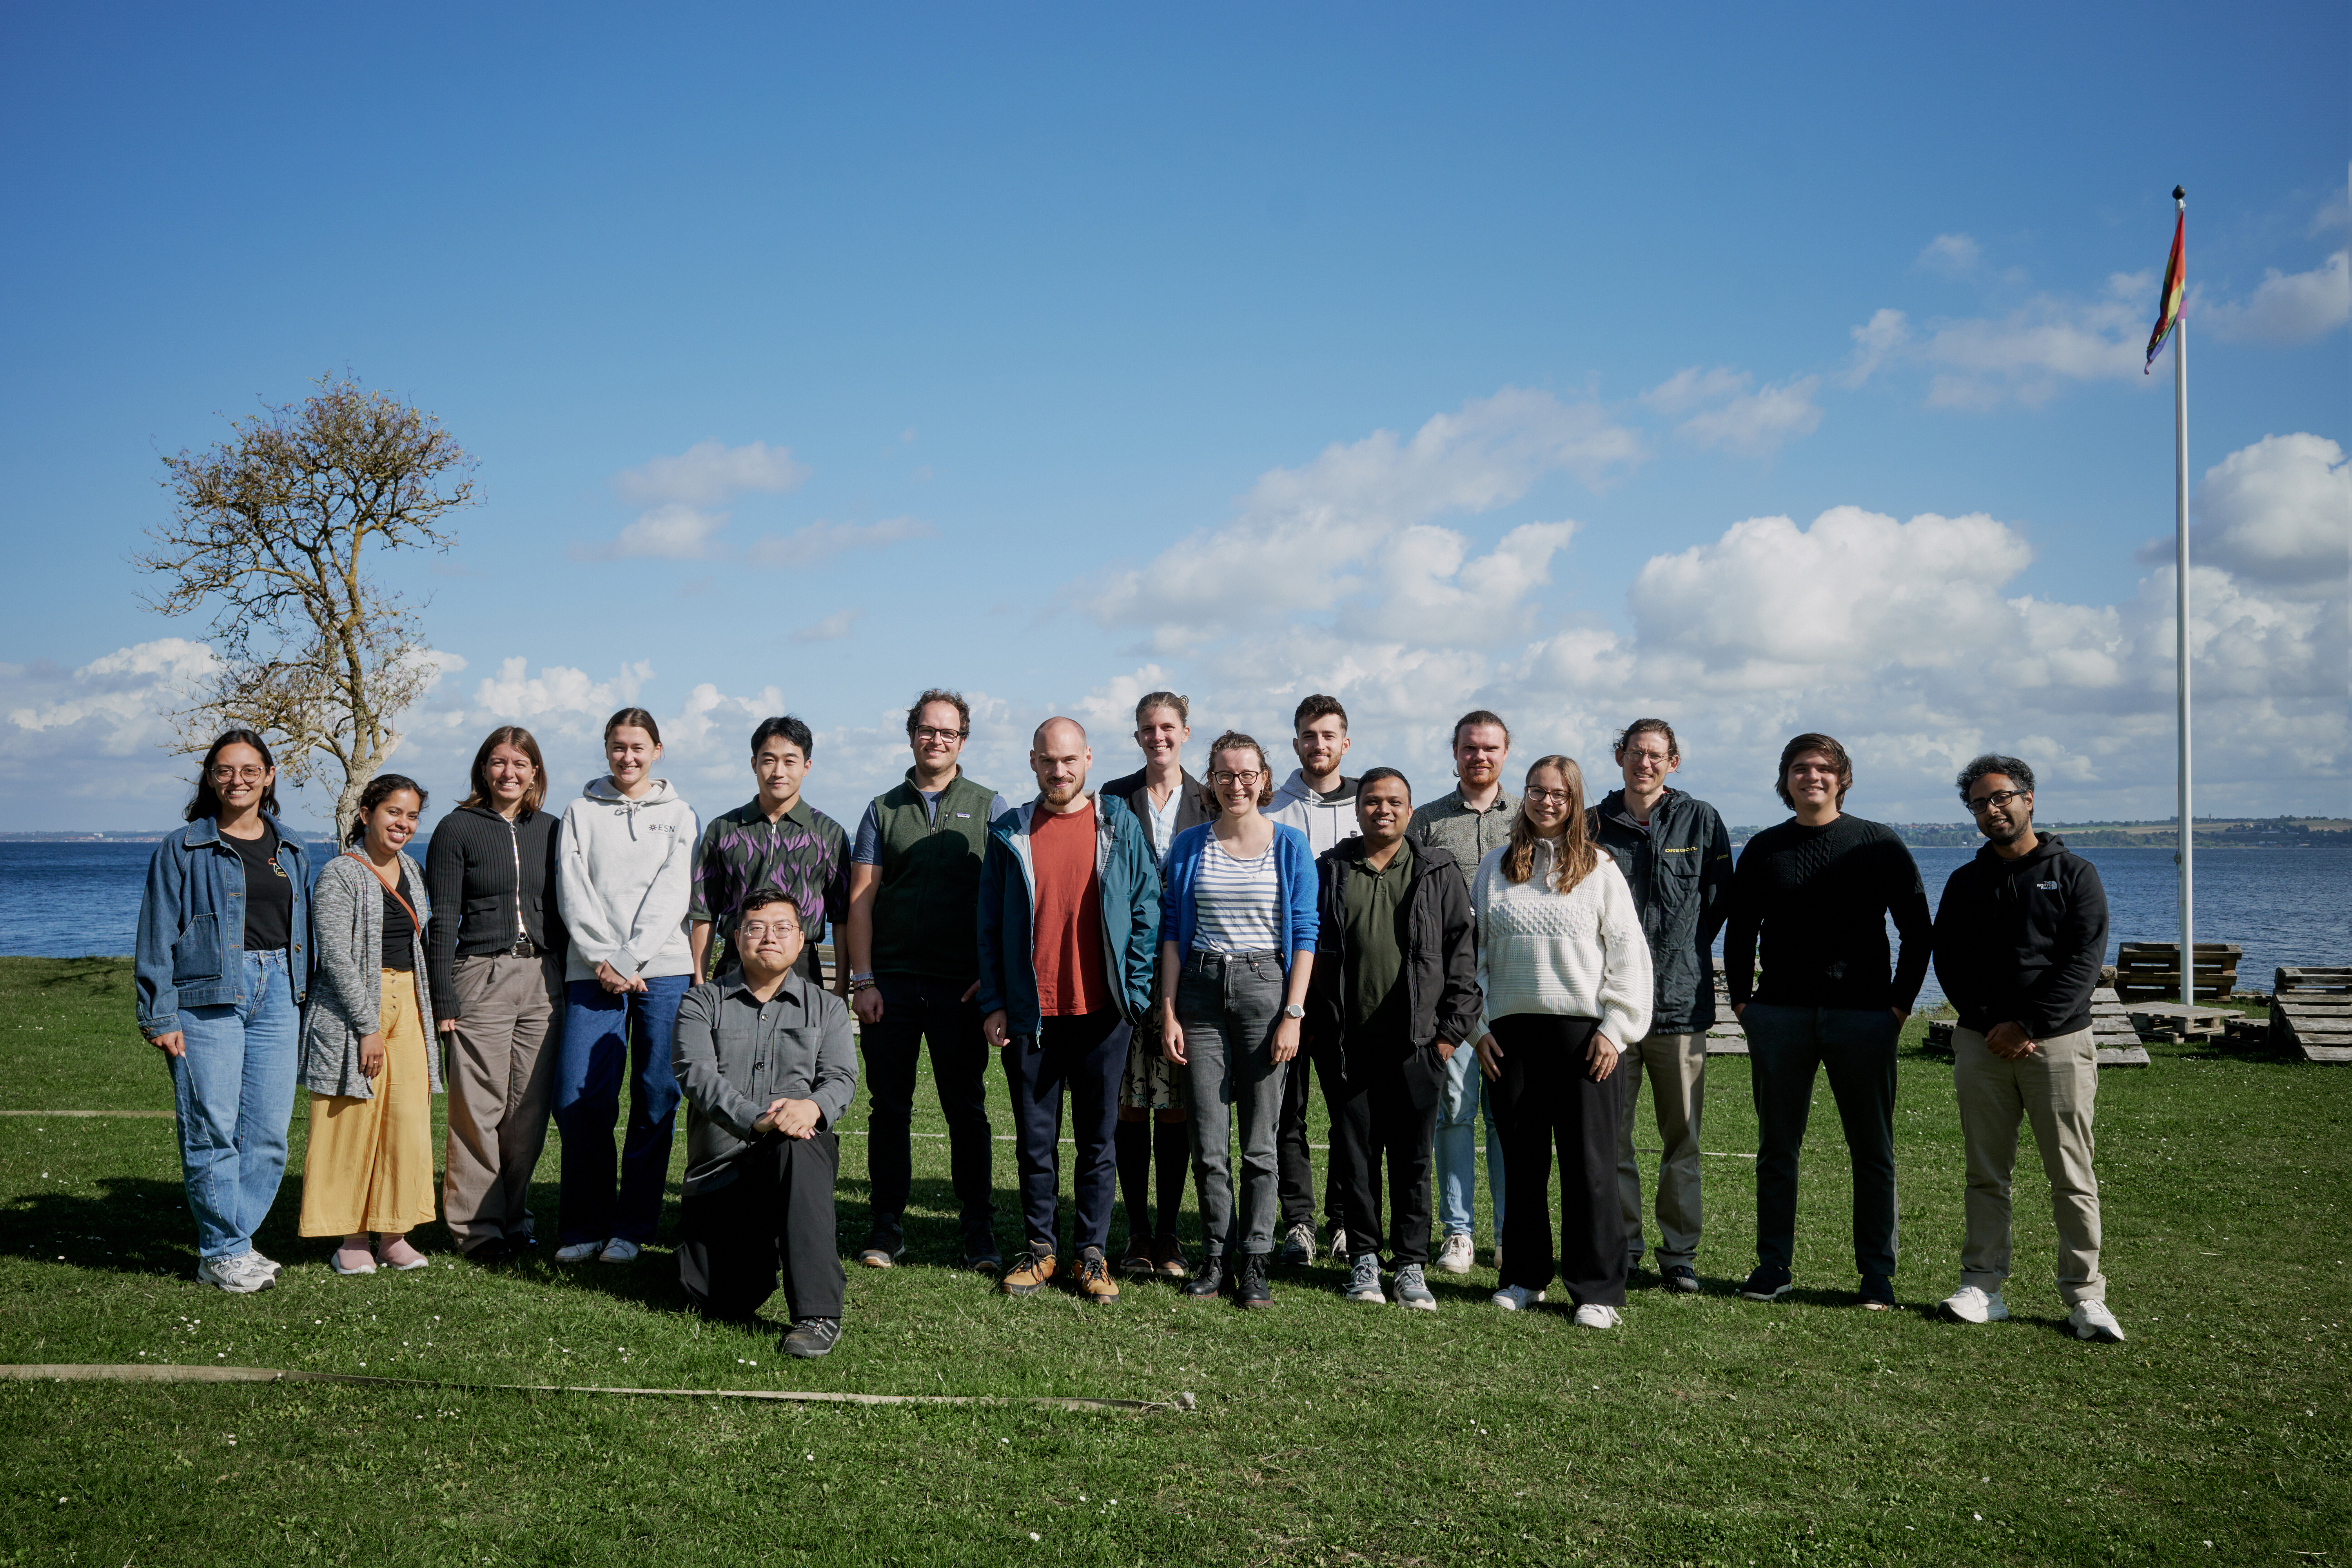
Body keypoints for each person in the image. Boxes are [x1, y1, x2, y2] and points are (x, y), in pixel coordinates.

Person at [1724, 732, 1931, 1310]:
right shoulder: (1765, 848)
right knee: (1777, 1149)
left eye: (1822, 768)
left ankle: (1876, 1275)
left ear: (1842, 777)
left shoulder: (1879, 843)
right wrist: (1745, 1005)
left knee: (1872, 1150)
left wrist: (1899, 1006)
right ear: (1785, 779)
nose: (1810, 777)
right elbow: (1739, 932)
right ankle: (1773, 1266)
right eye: (1799, 768)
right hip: (1780, 1016)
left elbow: (1918, 931)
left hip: (1865, 1017)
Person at [1931, 755, 2125, 1343]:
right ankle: (1982, 1287)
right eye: (1979, 803)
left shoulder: (2074, 874)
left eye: (2002, 798)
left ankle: (2086, 1296)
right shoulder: (1966, 881)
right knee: (1986, 1173)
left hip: (2059, 1046)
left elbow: (2082, 964)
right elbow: (1950, 959)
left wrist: (2029, 1025)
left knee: (2072, 1174)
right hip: (1982, 1044)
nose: (1992, 810)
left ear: (2029, 798)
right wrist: (1994, 1025)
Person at [977, 718, 1161, 1302]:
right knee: (1035, 1142)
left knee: (1098, 1141)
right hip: (1032, 1016)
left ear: (1087, 759)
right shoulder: (1010, 832)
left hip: (1102, 1012)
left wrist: (1133, 992)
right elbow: (987, 925)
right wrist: (995, 1002)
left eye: (1069, 761)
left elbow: (1146, 908)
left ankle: (1091, 1254)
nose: (1059, 772)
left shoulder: (1117, 824)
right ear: (1034, 762)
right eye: (1048, 762)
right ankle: (1040, 1250)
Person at [1472, 756, 1652, 1327]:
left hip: (1585, 1037)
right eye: (1536, 791)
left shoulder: (1599, 869)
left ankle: (1596, 1289)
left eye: (1559, 794)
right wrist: (1477, 1030)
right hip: (1510, 1037)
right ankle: (1524, 1276)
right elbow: (1472, 957)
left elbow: (1628, 956)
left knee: (1590, 1166)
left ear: (1575, 802)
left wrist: (1616, 1030)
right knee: (1523, 1164)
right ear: (1523, 797)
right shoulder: (1494, 868)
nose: (1546, 802)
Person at [136, 730, 312, 1293]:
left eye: (249, 770)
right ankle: (222, 1250)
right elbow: (157, 932)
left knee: (267, 1132)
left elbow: (304, 930)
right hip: (206, 996)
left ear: (270, 775)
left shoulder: (293, 849)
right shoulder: (182, 848)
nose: (238, 780)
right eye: (225, 771)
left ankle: (236, 1240)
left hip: (280, 994)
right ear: (211, 778)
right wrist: (159, 1014)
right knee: (213, 1126)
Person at [842, 689, 1011, 1272]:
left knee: (967, 1110)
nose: (937, 740)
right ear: (910, 732)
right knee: (889, 1108)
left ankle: (978, 1228)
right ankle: (886, 1225)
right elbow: (861, 901)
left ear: (963, 741)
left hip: (959, 989)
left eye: (949, 732)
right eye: (927, 729)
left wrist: (989, 979)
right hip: (890, 985)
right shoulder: (881, 808)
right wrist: (863, 981)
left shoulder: (991, 806)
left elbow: (1006, 901)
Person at [1305, 768, 1479, 1311]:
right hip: (1347, 1045)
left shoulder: (1436, 870)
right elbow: (1309, 949)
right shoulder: (1331, 869)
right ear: (1357, 809)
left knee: (1412, 1160)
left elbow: (1462, 956)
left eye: (1396, 802)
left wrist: (1449, 1036)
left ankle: (1408, 1266)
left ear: (1410, 810)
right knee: (1354, 1158)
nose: (1384, 810)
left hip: (1418, 1046)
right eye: (1373, 801)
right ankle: (1363, 1259)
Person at [1160, 731, 1318, 1309]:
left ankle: (1254, 1261)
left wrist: (1293, 1014)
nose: (1236, 784)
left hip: (1265, 992)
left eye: (1247, 774)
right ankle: (1215, 1256)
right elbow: (1173, 933)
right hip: (1199, 992)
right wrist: (1171, 1010)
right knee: (1208, 1142)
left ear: (1264, 778)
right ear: (1212, 780)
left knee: (1259, 1144)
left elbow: (1305, 934)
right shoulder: (1188, 846)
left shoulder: (1290, 846)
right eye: (1224, 775)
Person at [671, 891, 857, 1359]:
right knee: (715, 1299)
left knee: (799, 1142)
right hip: (719, 1173)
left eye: (781, 927)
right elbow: (696, 1075)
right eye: (755, 928)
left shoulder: (828, 1008)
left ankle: (818, 1314)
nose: (768, 936)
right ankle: (779, 1248)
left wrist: (811, 1108)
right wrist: (757, 1119)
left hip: (791, 1163)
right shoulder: (700, 1003)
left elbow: (841, 1078)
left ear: (800, 941)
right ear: (737, 940)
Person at [1587, 719, 1733, 1294]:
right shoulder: (1593, 824)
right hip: (1610, 1011)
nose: (1643, 764)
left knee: (1683, 1139)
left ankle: (1680, 1255)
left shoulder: (1702, 821)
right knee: (1611, 1139)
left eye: (1656, 755)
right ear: (1618, 756)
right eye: (1634, 753)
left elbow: (1719, 904)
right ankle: (1624, 1247)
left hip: (1678, 1005)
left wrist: (1680, 955)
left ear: (1674, 761)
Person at [553, 707, 699, 1265]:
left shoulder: (680, 813)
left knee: (656, 1095)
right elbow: (572, 886)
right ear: (607, 750)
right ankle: (585, 1225)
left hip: (661, 968)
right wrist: (604, 959)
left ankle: (632, 1226)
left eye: (638, 747)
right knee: (579, 1097)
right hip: (591, 971)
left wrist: (631, 955)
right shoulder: (580, 810)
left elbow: (674, 889)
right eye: (618, 747)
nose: (628, 757)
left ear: (656, 750)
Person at [426, 726, 567, 1265]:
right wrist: (444, 999)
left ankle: (515, 1219)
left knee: (526, 1112)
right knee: (478, 1110)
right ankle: (478, 1231)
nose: (509, 772)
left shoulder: (552, 829)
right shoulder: (456, 828)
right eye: (498, 762)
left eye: (520, 762)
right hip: (480, 978)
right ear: (483, 769)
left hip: (544, 981)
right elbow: (442, 920)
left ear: (535, 771)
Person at [299, 774, 443, 1274]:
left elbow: (418, 943)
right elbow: (335, 956)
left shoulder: (412, 870)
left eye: (411, 816)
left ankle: (395, 1233)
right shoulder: (340, 873)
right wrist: (367, 1026)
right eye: (393, 812)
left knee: (407, 1120)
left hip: (409, 999)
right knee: (351, 1119)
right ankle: (352, 1238)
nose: (402, 823)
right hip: (355, 1008)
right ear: (366, 814)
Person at [1097, 690, 1212, 1279]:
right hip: (1127, 974)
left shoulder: (1211, 798)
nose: (1158, 736)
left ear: (1185, 733)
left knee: (1174, 1109)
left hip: (1190, 975)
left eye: (1168, 727)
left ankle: (1170, 1234)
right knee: (1127, 1107)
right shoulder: (1113, 797)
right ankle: (1136, 1231)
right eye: (1148, 727)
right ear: (1137, 734)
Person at [1408, 709, 1517, 1275]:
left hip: (1514, 987)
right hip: (1451, 991)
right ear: (1455, 753)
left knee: (1506, 1113)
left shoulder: (1530, 818)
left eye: (1490, 748)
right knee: (1454, 1109)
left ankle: (1509, 1232)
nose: (1480, 756)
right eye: (1470, 748)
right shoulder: (1425, 822)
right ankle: (1458, 1232)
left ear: (1506, 752)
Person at [1267, 693, 1361, 1264]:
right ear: (1296, 741)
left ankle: (1346, 1220)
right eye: (1309, 735)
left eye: (1329, 735)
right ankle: (1299, 1222)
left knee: (1350, 1107)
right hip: (1288, 983)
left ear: (1344, 743)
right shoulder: (1273, 807)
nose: (1318, 744)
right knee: (1289, 1110)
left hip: (1351, 986)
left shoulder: (1368, 805)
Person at [688, 715, 850, 991]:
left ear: (807, 766)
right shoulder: (723, 829)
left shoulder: (829, 833)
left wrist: (841, 984)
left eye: (790, 761)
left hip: (802, 968)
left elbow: (842, 917)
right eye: (769, 760)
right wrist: (699, 982)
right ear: (754, 764)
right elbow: (704, 913)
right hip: (734, 963)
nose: (779, 771)